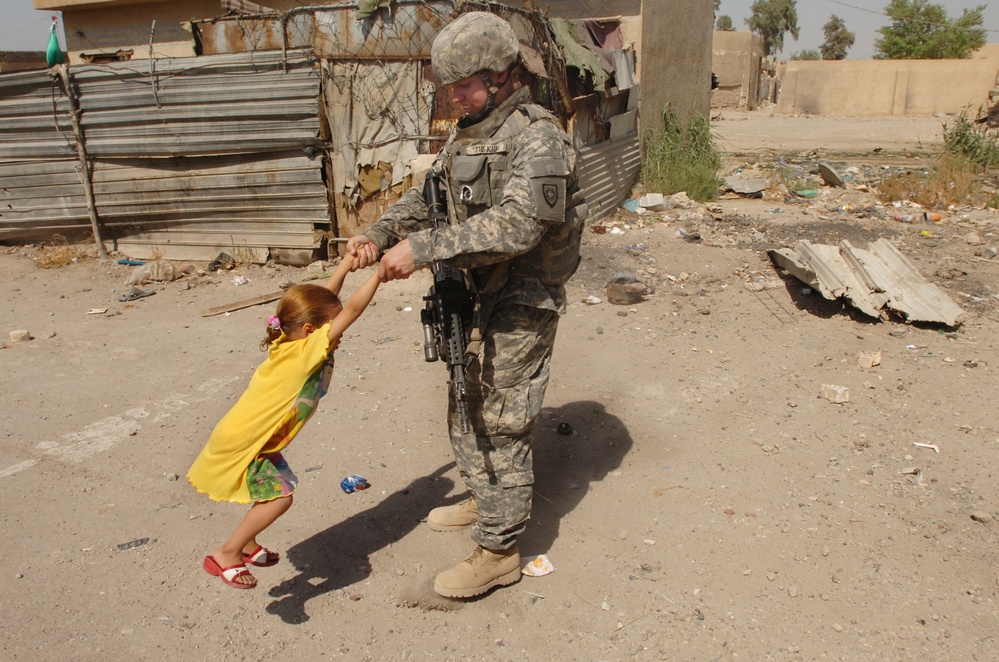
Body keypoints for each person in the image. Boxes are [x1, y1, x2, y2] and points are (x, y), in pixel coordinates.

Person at [347, 11, 587, 599]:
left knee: (503, 417)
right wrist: (378, 235)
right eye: (449, 87)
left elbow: (520, 225)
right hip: (475, 290)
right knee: (466, 399)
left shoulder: (540, 136)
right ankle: (486, 499)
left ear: (502, 73)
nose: (452, 98)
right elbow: (433, 200)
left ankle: (500, 549)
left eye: (462, 85)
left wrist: (423, 250)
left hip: (524, 293)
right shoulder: (472, 131)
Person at [187, 256, 383, 589]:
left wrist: (347, 265)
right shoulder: (307, 353)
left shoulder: (287, 337)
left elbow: (320, 301)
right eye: (330, 326)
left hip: (254, 437)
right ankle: (228, 553)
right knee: (280, 498)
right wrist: (380, 275)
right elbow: (350, 310)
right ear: (310, 331)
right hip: (246, 443)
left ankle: (247, 544)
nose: (337, 331)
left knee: (275, 488)